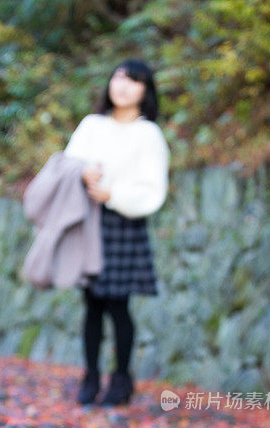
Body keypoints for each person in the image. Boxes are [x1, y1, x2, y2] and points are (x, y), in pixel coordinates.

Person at [63, 59, 170, 406]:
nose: (123, 86)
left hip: (123, 221)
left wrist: (115, 195)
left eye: (133, 81)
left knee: (118, 304)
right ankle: (90, 376)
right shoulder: (91, 125)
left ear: (145, 90)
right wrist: (83, 175)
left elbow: (153, 187)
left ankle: (121, 378)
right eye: (118, 78)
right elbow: (69, 163)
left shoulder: (148, 133)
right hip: (89, 219)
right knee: (91, 303)